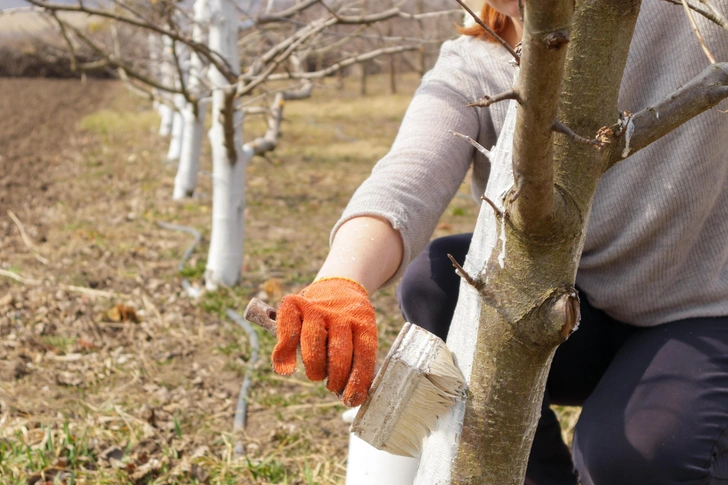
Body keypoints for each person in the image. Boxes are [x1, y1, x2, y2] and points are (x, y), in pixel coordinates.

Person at [270, 0, 728, 483]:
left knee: (634, 460)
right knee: (436, 280)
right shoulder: (476, 63)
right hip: (573, 314)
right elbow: (407, 177)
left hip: (704, 312)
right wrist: (341, 279)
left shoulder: (684, 15)